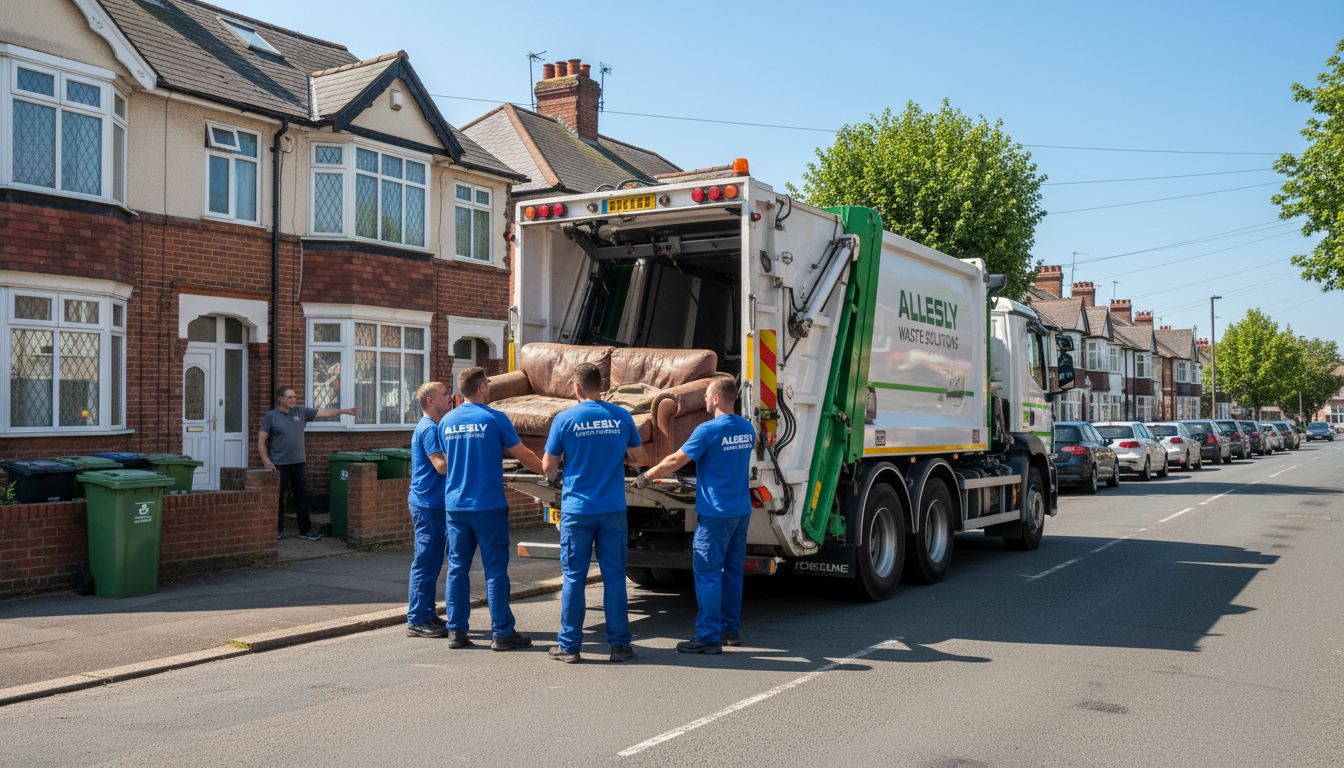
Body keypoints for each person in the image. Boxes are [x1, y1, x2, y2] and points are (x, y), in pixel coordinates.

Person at [637, 377, 752, 654]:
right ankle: (729, 631)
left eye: (705, 396)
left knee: (709, 574)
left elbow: (677, 460)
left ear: (715, 399)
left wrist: (646, 476)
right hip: (740, 511)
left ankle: (708, 638)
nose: (702, 400)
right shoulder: (747, 427)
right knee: (732, 573)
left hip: (715, 514)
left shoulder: (708, 430)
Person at [440, 366, 546, 650]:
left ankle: (456, 631)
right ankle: (501, 633)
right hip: (488, 505)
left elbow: (447, 461)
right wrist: (550, 473)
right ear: (483, 387)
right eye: (487, 383)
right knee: (495, 570)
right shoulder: (495, 418)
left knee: (457, 569)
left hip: (456, 506)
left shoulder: (447, 420)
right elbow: (522, 454)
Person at [543, 362, 643, 664]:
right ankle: (619, 646)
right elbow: (638, 459)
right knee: (614, 577)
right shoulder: (622, 416)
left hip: (577, 510)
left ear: (576, 387)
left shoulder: (564, 419)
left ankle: (570, 646)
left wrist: (558, 474)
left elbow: (548, 467)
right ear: (602, 384)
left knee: (574, 577)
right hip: (612, 509)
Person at [258, 386, 359, 540]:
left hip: (298, 463)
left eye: (294, 397)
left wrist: (345, 411)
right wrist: (266, 460)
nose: (293, 400)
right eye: (289, 397)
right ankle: (276, 530)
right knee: (277, 497)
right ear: (280, 399)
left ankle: (305, 530)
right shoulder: (271, 416)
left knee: (302, 496)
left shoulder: (301, 411)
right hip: (278, 465)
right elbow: (261, 440)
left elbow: (325, 413)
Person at [406, 381, 453, 638]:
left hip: (432, 503)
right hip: (428, 504)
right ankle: (417, 619)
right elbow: (441, 466)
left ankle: (426, 611)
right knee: (425, 561)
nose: (450, 397)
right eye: (445, 394)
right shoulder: (429, 429)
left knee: (433, 561)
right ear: (430, 401)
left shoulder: (433, 427)